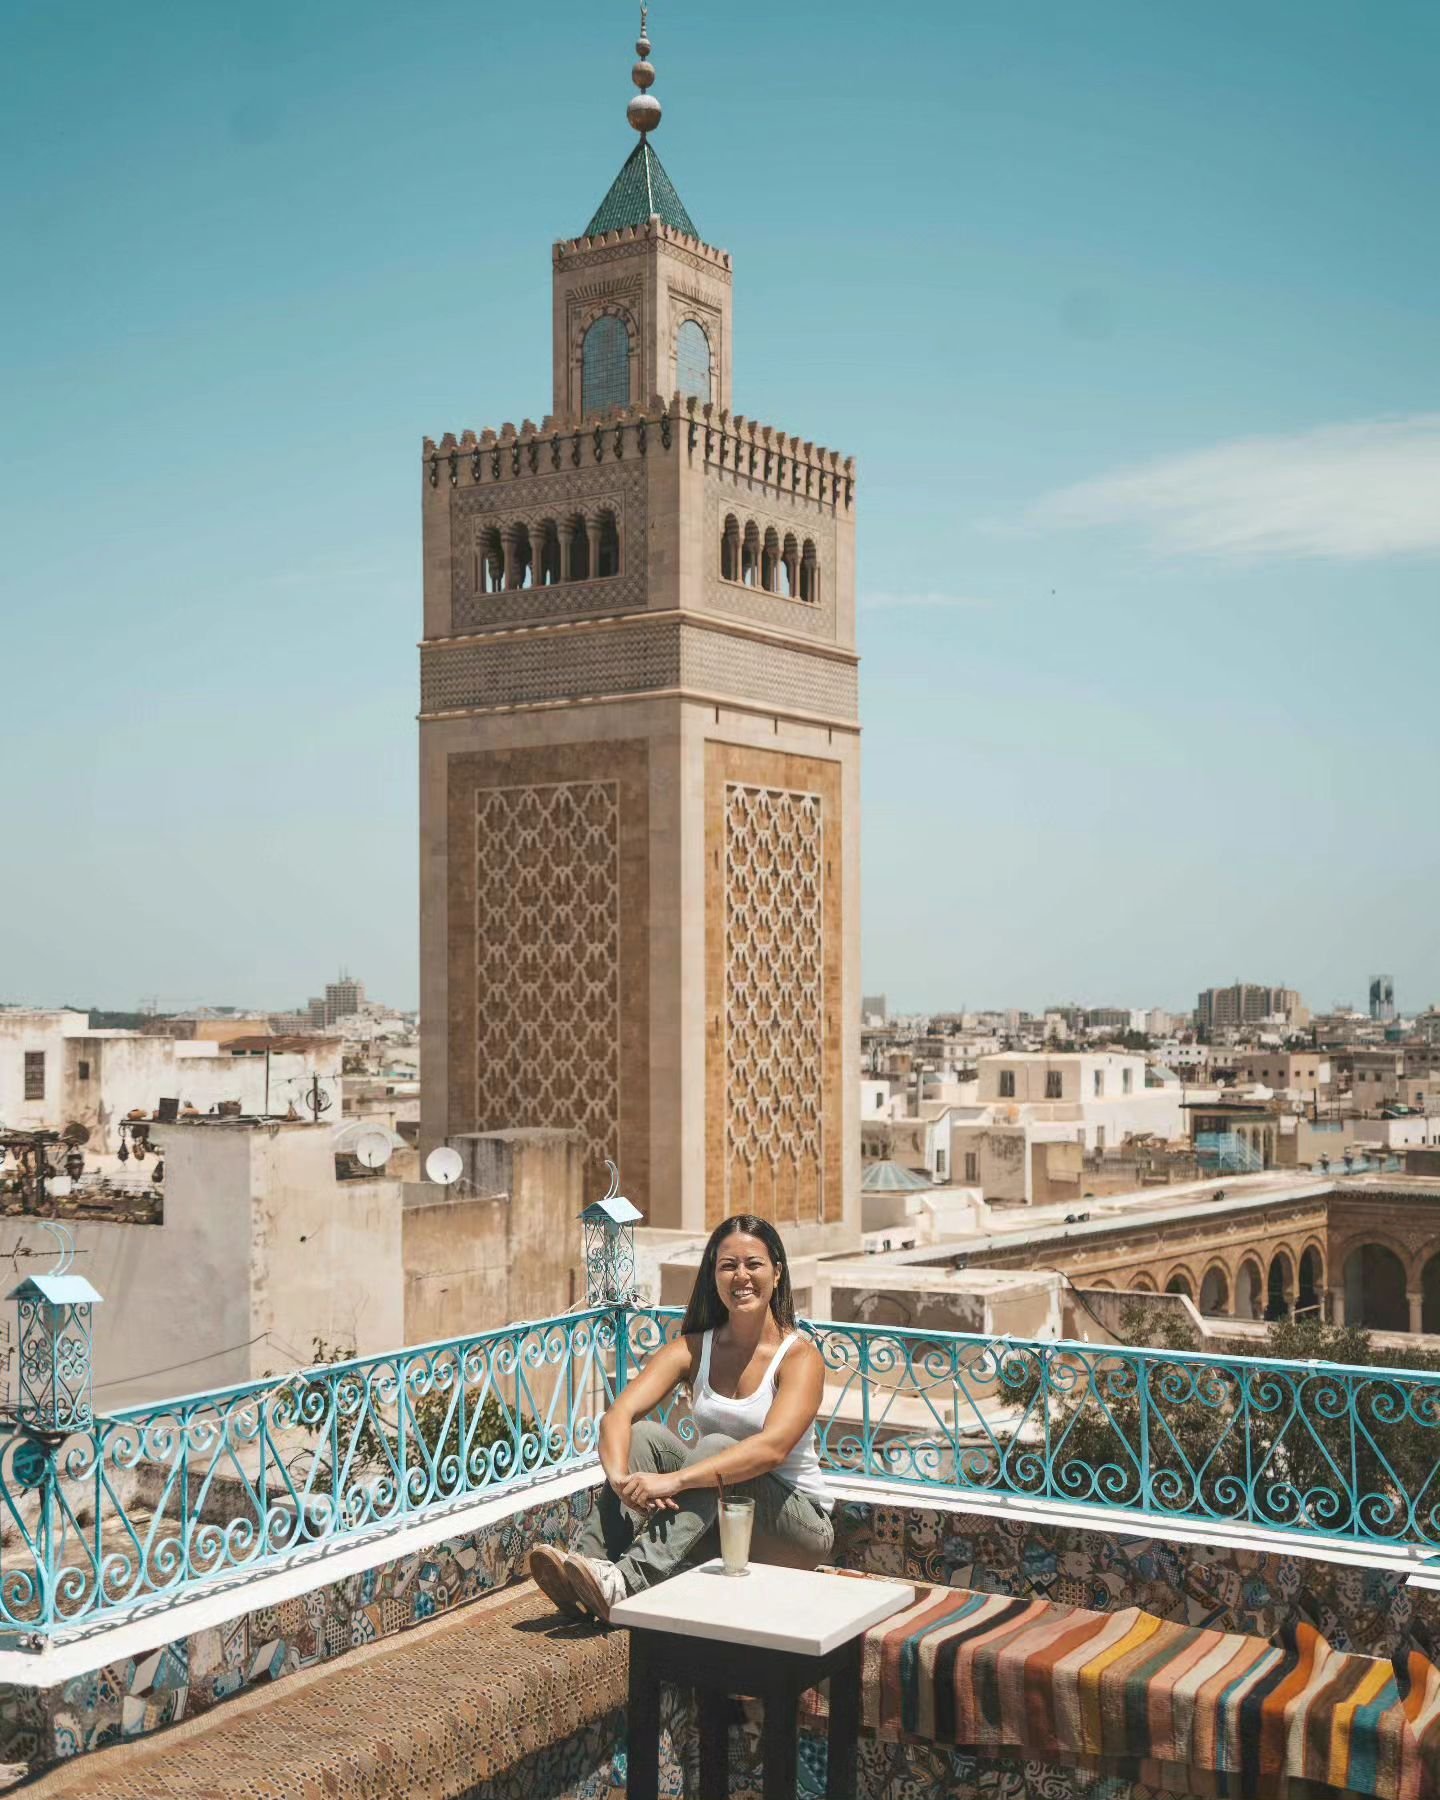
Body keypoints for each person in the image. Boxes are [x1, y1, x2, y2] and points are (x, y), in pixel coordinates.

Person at [529, 1214, 833, 1621]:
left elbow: (772, 1449)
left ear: (777, 1273)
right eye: (728, 1266)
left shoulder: (799, 1358)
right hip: (720, 1523)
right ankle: (585, 1567)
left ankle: (627, 1582)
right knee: (644, 1436)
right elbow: (618, 1415)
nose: (741, 1276)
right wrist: (622, 1481)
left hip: (795, 1530)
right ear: (714, 1276)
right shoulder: (693, 1348)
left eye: (753, 1264)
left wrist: (676, 1479)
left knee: (716, 1448)